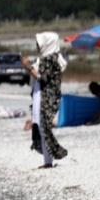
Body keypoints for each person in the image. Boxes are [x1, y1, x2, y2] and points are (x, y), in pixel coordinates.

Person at [20, 32, 68, 169]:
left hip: (47, 96)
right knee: (41, 127)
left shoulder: (51, 59)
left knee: (44, 127)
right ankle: (48, 160)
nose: (37, 46)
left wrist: (28, 65)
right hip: (40, 94)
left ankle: (54, 156)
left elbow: (43, 78)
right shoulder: (45, 59)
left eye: (39, 43)